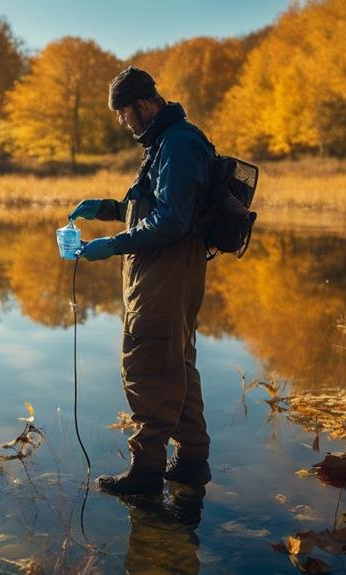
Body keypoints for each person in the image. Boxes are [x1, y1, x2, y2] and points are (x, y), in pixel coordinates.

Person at [69, 66, 214, 495]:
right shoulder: (165, 141)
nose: (122, 121)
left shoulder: (179, 144)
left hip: (165, 274)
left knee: (147, 365)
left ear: (146, 103)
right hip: (165, 271)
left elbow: (171, 221)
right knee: (177, 365)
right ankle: (192, 463)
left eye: (124, 112)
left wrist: (112, 245)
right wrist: (108, 207)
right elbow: (154, 207)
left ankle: (146, 473)